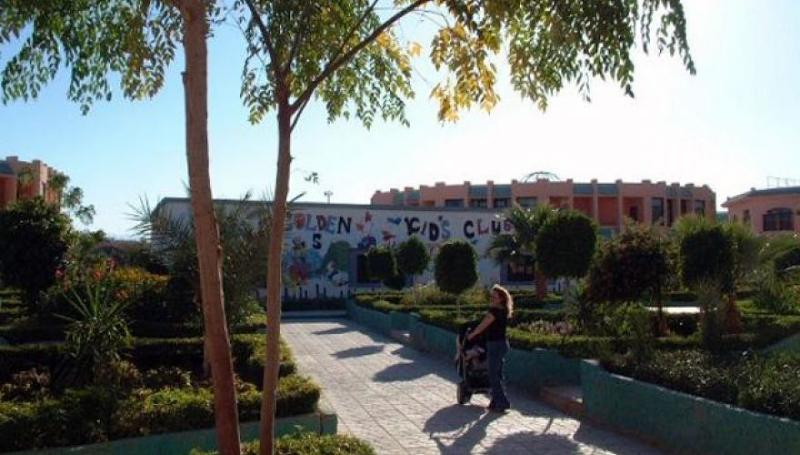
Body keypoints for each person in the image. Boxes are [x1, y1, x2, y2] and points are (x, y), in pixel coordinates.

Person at [466, 284, 513, 412]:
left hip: (495, 345)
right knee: (498, 374)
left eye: (494, 296)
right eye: (491, 296)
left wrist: (472, 335)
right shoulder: (504, 310)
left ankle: (503, 402)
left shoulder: (494, 312)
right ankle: (495, 401)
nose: (491, 298)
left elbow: (483, 325)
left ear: (501, 298)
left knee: (492, 375)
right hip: (502, 344)